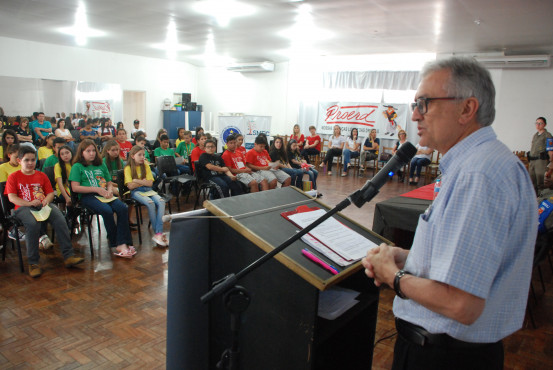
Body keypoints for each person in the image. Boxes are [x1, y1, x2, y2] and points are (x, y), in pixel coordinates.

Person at [362, 57, 537, 370]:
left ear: (467, 109)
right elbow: (467, 261)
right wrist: (408, 258)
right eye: (415, 104)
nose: (414, 115)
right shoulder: (481, 165)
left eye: (425, 103)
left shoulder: (477, 176)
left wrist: (394, 276)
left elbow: (461, 304)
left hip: (443, 357)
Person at [6, 145, 84, 277]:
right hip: (23, 207)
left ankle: (68, 256)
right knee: (32, 224)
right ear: (19, 161)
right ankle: (33, 263)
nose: (30, 163)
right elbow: (12, 197)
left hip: (42, 205)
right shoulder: (14, 177)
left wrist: (46, 201)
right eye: (27, 160)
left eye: (33, 159)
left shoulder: (41, 175)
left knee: (60, 218)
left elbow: (50, 193)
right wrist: (29, 203)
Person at [69, 139, 135, 258]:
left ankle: (123, 241)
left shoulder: (100, 164)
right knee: (107, 210)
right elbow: (75, 188)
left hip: (104, 194)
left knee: (122, 208)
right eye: (88, 151)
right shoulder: (77, 166)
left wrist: (109, 191)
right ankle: (117, 242)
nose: (92, 153)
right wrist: (96, 189)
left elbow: (109, 182)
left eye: (93, 150)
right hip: (88, 196)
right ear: (81, 153)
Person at [125, 145, 168, 247]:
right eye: (139, 155)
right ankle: (157, 233)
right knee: (151, 203)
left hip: (148, 190)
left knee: (161, 201)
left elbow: (150, 184)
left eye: (143, 155)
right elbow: (130, 186)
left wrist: (136, 180)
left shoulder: (146, 166)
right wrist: (142, 182)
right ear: (132, 156)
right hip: (136, 192)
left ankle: (158, 233)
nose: (142, 157)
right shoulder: (128, 168)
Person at [530, 117, 553, 193]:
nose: (538, 125)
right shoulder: (535, 135)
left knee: (540, 183)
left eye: (540, 123)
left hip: (541, 161)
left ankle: (541, 200)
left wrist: (551, 163)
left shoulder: (547, 135)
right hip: (532, 161)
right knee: (532, 183)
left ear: (545, 125)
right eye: (536, 123)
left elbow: (550, 150)